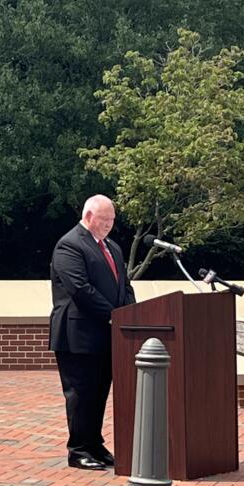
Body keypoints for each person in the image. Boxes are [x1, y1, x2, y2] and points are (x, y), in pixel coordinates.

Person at [49, 194, 136, 471]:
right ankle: (78, 450)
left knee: (99, 393)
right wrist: (114, 315)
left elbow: (124, 285)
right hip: (77, 335)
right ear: (89, 216)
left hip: (106, 335)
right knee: (80, 394)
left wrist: (130, 313)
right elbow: (80, 290)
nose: (110, 224)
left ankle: (95, 445)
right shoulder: (69, 245)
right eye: (104, 219)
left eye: (112, 219)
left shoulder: (112, 248)